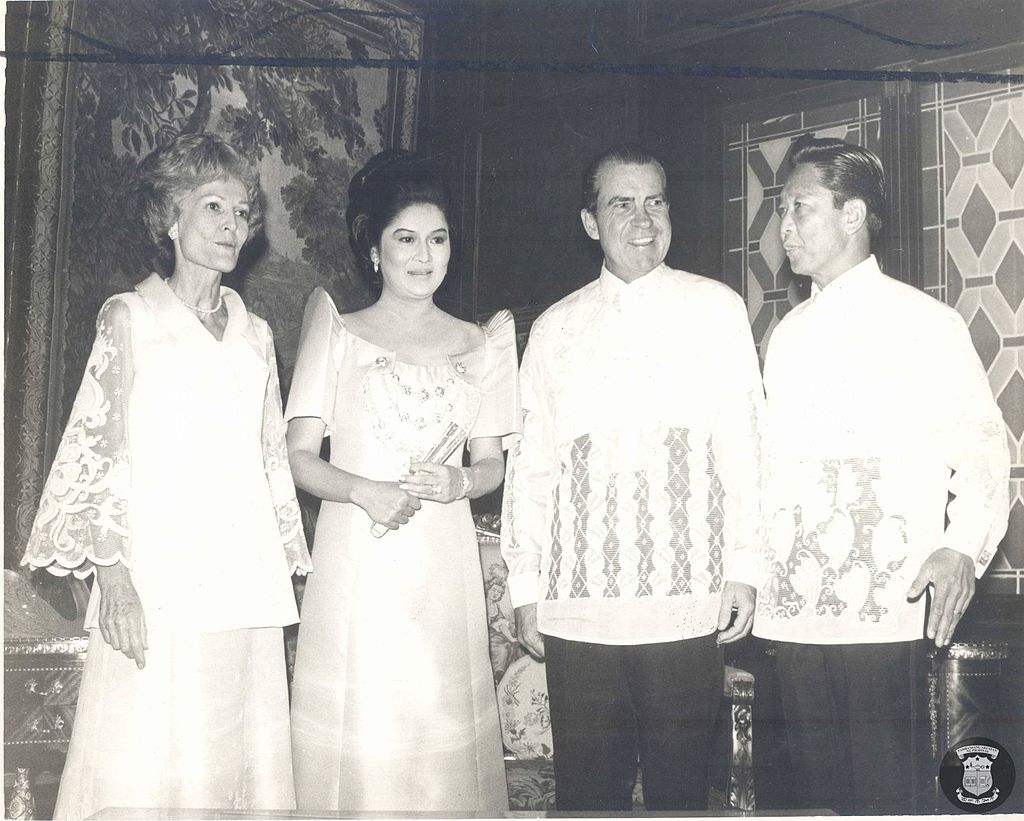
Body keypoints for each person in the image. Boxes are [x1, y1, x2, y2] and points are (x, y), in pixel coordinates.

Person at [21, 132, 312, 820]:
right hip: (156, 578)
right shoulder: (132, 317)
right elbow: (96, 452)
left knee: (231, 759)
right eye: (213, 207)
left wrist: (285, 561)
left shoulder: (257, 334)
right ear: (169, 218)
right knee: (145, 758)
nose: (232, 226)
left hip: (240, 578)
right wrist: (112, 577)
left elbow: (269, 460)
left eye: (242, 212)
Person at [500, 143, 765, 812]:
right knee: (590, 797)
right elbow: (532, 466)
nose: (643, 219)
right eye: (622, 203)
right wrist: (526, 585)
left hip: (685, 596)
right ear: (591, 221)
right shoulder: (556, 328)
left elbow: (746, 445)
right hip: (578, 606)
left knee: (680, 794)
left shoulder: (716, 308)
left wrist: (745, 563)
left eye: (656, 201)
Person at [754, 134, 1010, 814]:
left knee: (885, 796)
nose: (783, 229)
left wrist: (960, 544)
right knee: (811, 797)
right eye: (781, 211)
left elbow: (985, 448)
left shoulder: (927, 324)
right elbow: (770, 469)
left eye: (799, 208)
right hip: (796, 612)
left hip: (887, 608)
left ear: (852, 213)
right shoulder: (786, 336)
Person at [285, 150, 520, 814]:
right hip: (359, 561)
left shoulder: (482, 344)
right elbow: (298, 456)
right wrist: (364, 489)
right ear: (374, 249)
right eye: (406, 239)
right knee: (366, 731)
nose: (425, 255)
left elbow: (493, 465)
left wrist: (459, 481)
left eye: (438, 238)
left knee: (435, 730)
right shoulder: (337, 331)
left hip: (441, 565)